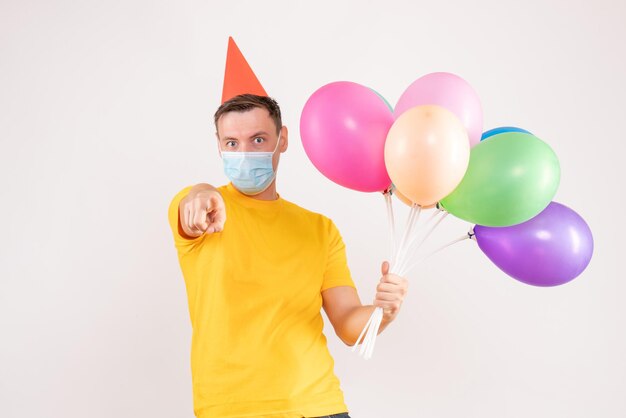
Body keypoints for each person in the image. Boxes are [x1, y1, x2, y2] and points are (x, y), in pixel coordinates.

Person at [168, 93, 409, 418]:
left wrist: (384, 311)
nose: (244, 154)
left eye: (258, 139)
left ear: (282, 139)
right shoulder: (207, 210)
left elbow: (349, 326)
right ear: (218, 144)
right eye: (232, 143)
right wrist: (199, 192)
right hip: (230, 409)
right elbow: (191, 204)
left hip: (318, 406)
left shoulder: (319, 229)